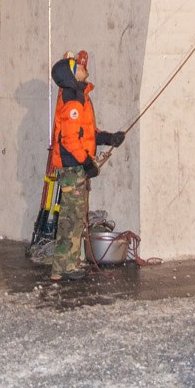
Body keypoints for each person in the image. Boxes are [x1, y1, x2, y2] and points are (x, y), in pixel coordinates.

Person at [47, 49, 124, 283]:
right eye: (77, 67)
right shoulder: (73, 100)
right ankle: (64, 267)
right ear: (71, 76)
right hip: (72, 169)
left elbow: (86, 133)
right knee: (72, 219)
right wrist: (86, 163)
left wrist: (109, 138)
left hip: (75, 167)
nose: (82, 67)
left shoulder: (79, 96)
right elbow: (70, 141)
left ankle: (65, 265)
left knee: (74, 218)